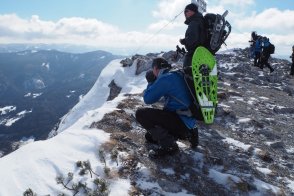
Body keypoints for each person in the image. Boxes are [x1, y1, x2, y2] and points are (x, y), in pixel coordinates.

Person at [135, 57, 198, 158]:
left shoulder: (166, 78)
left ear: (155, 68)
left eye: (153, 70)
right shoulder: (178, 74)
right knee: (149, 137)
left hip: (180, 123)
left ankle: (169, 147)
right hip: (189, 120)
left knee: (140, 114)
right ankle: (191, 133)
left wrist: (150, 82)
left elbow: (148, 99)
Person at [179, 3, 206, 67]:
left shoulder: (194, 22)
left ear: (192, 11)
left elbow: (192, 38)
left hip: (194, 54)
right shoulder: (200, 20)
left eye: (186, 11)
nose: (185, 13)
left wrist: (183, 41)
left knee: (188, 74)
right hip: (201, 52)